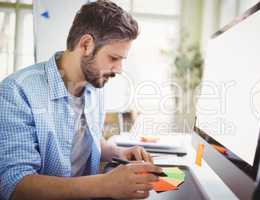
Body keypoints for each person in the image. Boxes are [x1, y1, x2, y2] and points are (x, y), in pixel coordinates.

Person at [0, 1, 162, 199]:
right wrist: (105, 185)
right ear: (86, 45)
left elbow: (87, 140)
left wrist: (118, 153)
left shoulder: (94, 85)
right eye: (113, 58)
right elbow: (15, 185)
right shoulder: (17, 91)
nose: (119, 70)